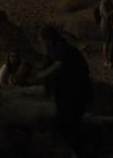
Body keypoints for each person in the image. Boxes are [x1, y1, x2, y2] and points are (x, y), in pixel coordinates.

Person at [35, 25, 92, 158]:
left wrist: (40, 76)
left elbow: (58, 65)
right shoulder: (60, 49)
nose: (41, 44)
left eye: (41, 41)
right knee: (69, 126)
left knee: (67, 126)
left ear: (47, 39)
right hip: (73, 95)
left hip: (74, 96)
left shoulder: (60, 49)